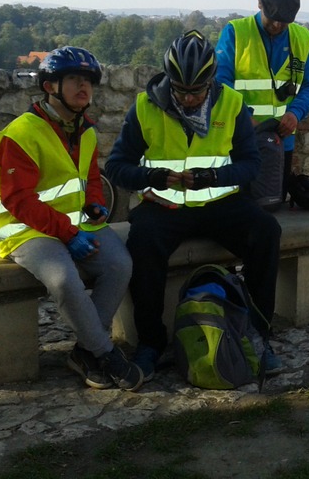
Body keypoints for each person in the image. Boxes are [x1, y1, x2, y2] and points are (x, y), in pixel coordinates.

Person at [105, 30, 282, 380]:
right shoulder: (144, 107)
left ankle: (257, 335)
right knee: (142, 243)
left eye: (197, 91)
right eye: (180, 90)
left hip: (221, 203)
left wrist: (213, 177)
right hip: (164, 207)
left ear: (211, 81)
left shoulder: (231, 103)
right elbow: (116, 167)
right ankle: (151, 343)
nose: (188, 99)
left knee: (266, 232)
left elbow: (251, 164)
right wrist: (151, 178)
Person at [0, 47, 143, 391]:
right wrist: (68, 235)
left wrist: (95, 204)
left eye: (88, 81)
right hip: (24, 229)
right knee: (64, 280)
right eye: (73, 79)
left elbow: (91, 177)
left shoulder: (85, 130)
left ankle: (84, 352)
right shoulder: (21, 133)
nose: (83, 87)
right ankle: (105, 353)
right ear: (50, 86)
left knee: (120, 264)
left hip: (73, 225)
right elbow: (18, 199)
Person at [215, 0, 309, 197]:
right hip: (240, 139)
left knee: (272, 203)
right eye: (272, 18)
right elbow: (220, 82)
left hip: (281, 142)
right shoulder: (236, 32)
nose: (277, 25)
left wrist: (295, 113)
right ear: (259, 4)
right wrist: (244, 118)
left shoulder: (302, 38)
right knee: (239, 204)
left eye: (284, 21)